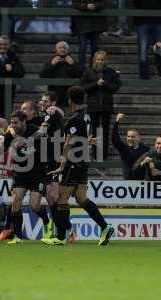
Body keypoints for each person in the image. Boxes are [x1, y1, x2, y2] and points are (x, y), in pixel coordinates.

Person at [41, 86, 114, 246]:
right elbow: (81, 138)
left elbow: (68, 143)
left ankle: (60, 237)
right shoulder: (85, 116)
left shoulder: (73, 119)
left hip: (73, 163)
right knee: (81, 198)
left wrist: (62, 164)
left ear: (70, 100)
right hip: (83, 162)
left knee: (61, 199)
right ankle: (105, 227)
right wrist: (88, 141)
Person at [0, 110, 52, 244]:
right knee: (16, 200)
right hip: (20, 172)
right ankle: (18, 236)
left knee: (34, 205)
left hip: (37, 172)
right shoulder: (10, 135)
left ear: (24, 122)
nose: (13, 125)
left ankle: (47, 222)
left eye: (16, 122)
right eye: (12, 122)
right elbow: (6, 149)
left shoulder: (34, 130)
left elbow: (42, 136)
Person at [81, 51, 121, 160]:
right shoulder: (88, 72)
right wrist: (96, 84)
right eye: (98, 59)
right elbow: (83, 87)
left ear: (105, 60)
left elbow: (116, 87)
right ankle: (95, 155)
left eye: (102, 59)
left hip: (106, 107)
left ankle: (104, 156)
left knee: (105, 131)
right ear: (95, 60)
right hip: (93, 107)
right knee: (94, 132)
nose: (100, 61)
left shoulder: (111, 72)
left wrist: (106, 84)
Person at [39, 41, 82, 110]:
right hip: (54, 95)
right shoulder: (51, 60)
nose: (62, 49)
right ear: (56, 49)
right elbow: (42, 75)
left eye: (64, 48)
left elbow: (80, 75)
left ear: (67, 50)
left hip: (69, 96)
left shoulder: (72, 60)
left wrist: (72, 64)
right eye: (60, 48)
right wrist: (52, 64)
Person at [112, 113, 150, 180]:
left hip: (141, 182)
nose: (130, 138)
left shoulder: (145, 149)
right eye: (128, 136)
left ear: (139, 138)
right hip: (128, 182)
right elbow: (115, 139)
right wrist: (117, 121)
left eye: (133, 137)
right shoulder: (123, 149)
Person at [71, 0, 107, 69]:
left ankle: (94, 68)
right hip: (82, 24)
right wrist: (86, 6)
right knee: (83, 48)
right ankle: (81, 69)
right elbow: (75, 4)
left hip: (95, 25)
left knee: (94, 48)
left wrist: (95, 6)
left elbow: (104, 4)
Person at [132, 0, 161, 79]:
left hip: (158, 21)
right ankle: (144, 77)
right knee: (143, 52)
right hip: (142, 21)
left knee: (159, 49)